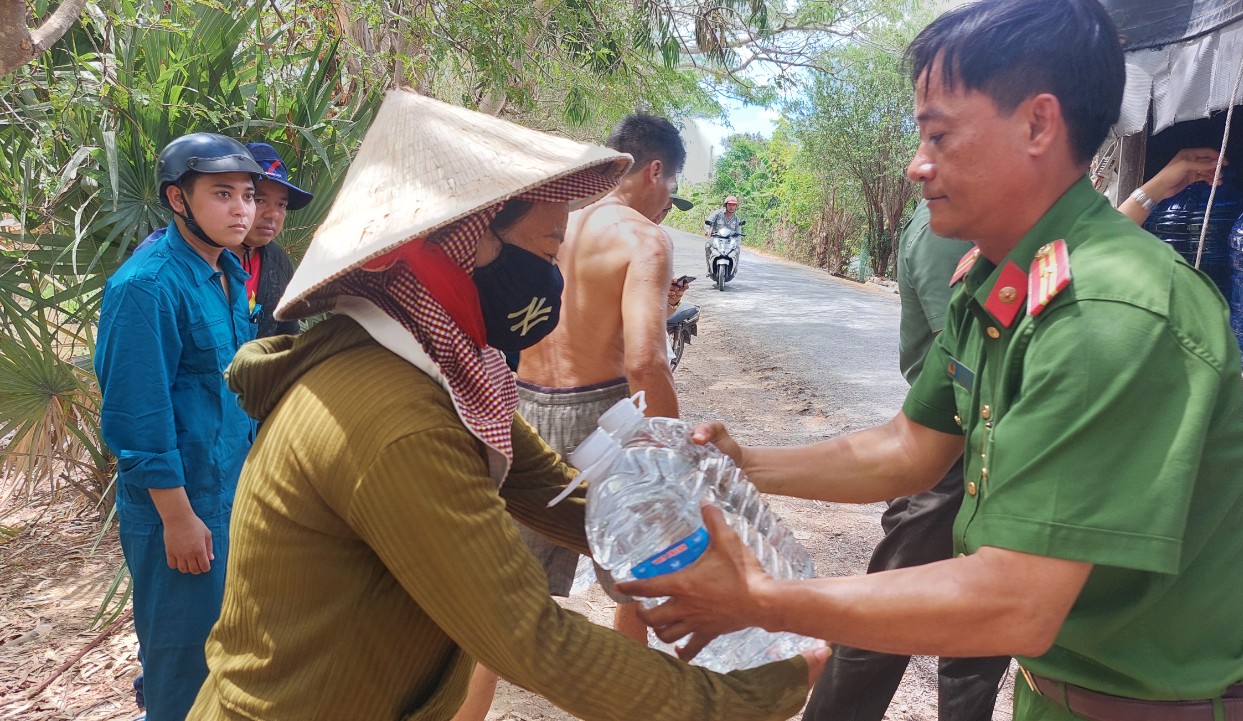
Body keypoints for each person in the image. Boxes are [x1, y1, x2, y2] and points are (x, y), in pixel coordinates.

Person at [618, 2, 1243, 720]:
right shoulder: (1000, 285)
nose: (916, 163)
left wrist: (765, 600)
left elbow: (1014, 599)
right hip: (1055, 692)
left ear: (1037, 123)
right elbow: (905, 449)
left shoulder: (1109, 314)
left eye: (938, 134)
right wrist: (744, 462)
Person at [187, 90, 825, 721]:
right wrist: (761, 693)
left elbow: (550, 488)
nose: (552, 278)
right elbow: (530, 636)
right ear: (467, 240)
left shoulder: (433, 373)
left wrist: (693, 540)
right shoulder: (395, 420)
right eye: (550, 251)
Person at [802, 203, 1009, 721]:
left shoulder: (999, 230)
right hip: (950, 447)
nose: (923, 166)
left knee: (980, 629)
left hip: (991, 446)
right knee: (885, 615)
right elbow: (966, 360)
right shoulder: (947, 230)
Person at [94, 132, 262, 721]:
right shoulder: (144, 287)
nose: (242, 209)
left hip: (233, 496)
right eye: (222, 194)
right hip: (182, 510)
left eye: (247, 194)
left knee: (234, 654)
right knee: (183, 664)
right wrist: (178, 517)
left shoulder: (228, 273)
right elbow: (136, 418)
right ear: (177, 199)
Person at [509, 112, 687, 640]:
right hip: (603, 419)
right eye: (672, 187)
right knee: (639, 584)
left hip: (525, 409)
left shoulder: (551, 220)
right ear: (655, 171)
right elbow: (646, 361)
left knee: (510, 599)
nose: (667, 203)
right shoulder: (644, 239)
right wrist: (671, 450)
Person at [239, 142, 313, 338]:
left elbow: (287, 336)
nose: (273, 214)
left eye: (281, 204)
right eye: (259, 200)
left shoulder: (278, 263)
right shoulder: (201, 260)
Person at [704, 195, 743, 271]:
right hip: (716, 239)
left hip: (729, 242)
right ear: (726, 205)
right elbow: (708, 222)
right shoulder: (718, 214)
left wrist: (737, 244)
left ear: (736, 206)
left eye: (733, 205)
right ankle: (709, 268)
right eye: (729, 205)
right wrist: (708, 229)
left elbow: (738, 233)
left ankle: (735, 268)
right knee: (708, 246)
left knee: (737, 250)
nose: (731, 207)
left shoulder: (736, 219)